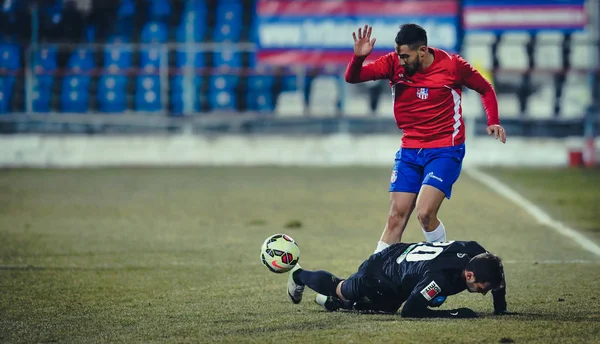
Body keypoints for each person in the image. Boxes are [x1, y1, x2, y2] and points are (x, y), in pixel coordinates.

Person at [344, 24, 508, 253]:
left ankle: (443, 267)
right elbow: (353, 78)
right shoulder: (393, 63)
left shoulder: (452, 65)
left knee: (425, 214)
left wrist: (493, 120)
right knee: (395, 217)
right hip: (410, 149)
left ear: (422, 51)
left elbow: (485, 88)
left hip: (445, 149)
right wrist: (358, 58)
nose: (401, 61)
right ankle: (370, 279)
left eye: (405, 56)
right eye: (399, 55)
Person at [286, 240, 509, 318]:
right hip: (379, 273)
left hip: (401, 262)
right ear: (469, 275)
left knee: (387, 307)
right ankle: (299, 275)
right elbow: (411, 310)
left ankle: (335, 303)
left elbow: (495, 270)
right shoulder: (440, 279)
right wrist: (456, 313)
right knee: (342, 288)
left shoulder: (475, 251)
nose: (484, 291)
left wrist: (501, 307)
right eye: (483, 287)